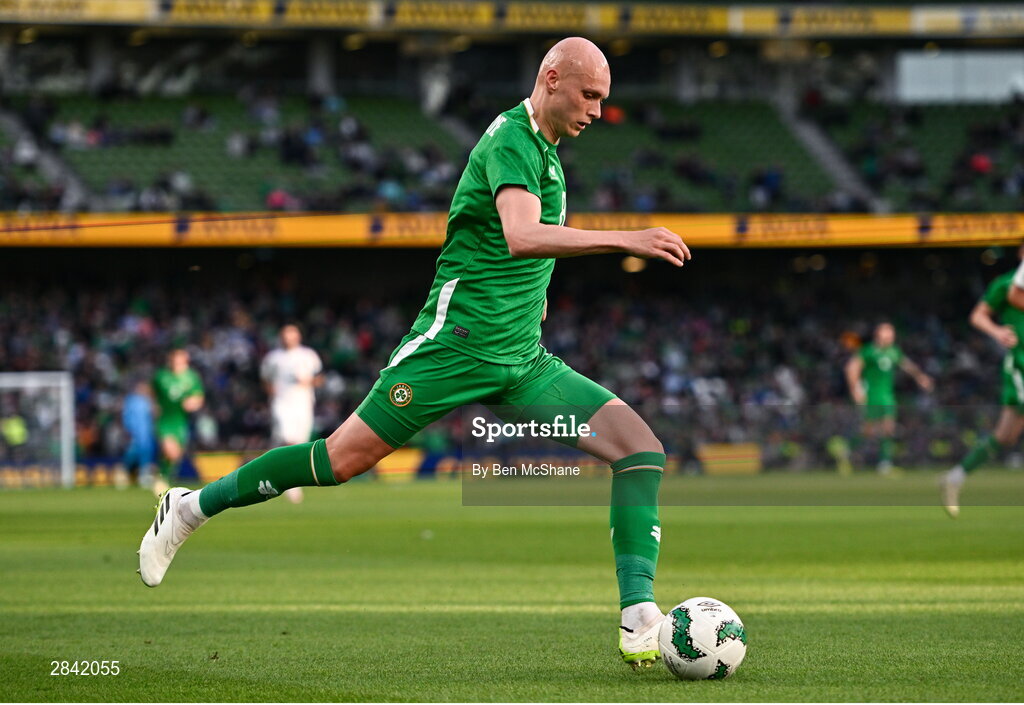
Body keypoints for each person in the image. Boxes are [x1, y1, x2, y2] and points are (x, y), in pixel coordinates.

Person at [139, 37, 691, 669]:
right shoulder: (513, 139)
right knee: (340, 460)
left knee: (640, 449)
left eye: (604, 99)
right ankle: (189, 508)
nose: (597, 110)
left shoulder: (549, 151)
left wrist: (533, 306)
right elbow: (520, 235)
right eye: (589, 95)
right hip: (450, 350)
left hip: (521, 363)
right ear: (552, 78)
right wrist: (629, 237)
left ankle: (638, 617)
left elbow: (511, 253)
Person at [941, 243, 1024, 517]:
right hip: (1021, 364)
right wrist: (998, 332)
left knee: (1006, 436)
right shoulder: (1006, 285)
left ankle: (956, 476)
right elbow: (977, 315)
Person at [844, 322, 933, 474]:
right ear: (879, 334)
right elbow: (851, 368)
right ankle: (847, 452)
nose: (891, 337)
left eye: (892, 334)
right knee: (868, 431)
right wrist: (855, 390)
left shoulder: (893, 351)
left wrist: (920, 377)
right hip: (871, 395)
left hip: (887, 396)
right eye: (888, 333)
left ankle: (884, 463)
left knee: (888, 428)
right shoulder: (868, 351)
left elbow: (907, 365)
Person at [260, 324, 323, 504]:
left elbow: (320, 378)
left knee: (299, 445)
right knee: (289, 439)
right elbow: (265, 379)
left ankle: (284, 477)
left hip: (303, 404)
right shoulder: (273, 358)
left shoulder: (308, 355)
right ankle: (287, 483)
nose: (289, 338)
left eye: (292, 334)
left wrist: (308, 381)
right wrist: (272, 392)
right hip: (282, 404)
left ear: (298, 336)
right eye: (286, 334)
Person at [151, 348, 204, 497]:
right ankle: (161, 479)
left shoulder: (191, 377)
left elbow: (199, 396)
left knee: (176, 455)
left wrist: (193, 402)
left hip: (180, 420)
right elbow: (153, 392)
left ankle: (162, 477)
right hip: (165, 419)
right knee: (171, 450)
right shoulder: (162, 376)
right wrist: (154, 405)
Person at [122, 380, 156, 489]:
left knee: (146, 453)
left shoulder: (147, 401)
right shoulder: (131, 400)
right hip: (135, 433)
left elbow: (153, 415)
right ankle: (124, 473)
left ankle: (143, 476)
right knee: (132, 454)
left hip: (146, 433)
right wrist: (128, 429)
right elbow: (126, 416)